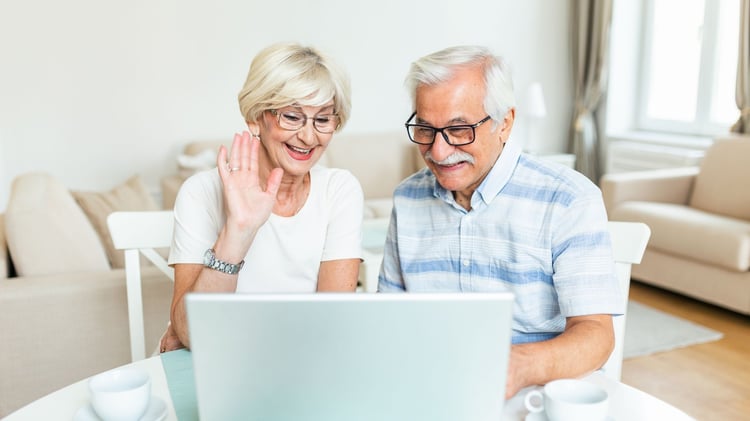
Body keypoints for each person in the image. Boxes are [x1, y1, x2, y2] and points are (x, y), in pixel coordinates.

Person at [377, 45, 621, 399]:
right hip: (431, 390)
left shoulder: (568, 199)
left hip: (535, 396)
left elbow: (597, 335)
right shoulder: (407, 198)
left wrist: (517, 366)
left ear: (504, 122)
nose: (439, 151)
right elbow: (388, 320)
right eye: (426, 129)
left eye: (459, 130)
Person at [161, 42, 364, 351]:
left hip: (298, 363)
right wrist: (238, 230)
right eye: (292, 117)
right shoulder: (200, 193)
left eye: (323, 119)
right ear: (256, 117)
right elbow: (194, 336)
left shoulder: (340, 191)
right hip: (220, 362)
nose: (309, 137)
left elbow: (330, 323)